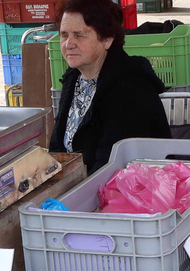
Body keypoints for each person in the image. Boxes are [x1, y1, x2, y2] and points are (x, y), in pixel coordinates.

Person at [49, 0, 171, 174]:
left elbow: (111, 168)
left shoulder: (130, 88)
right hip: (79, 186)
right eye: (64, 35)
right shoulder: (74, 77)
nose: (69, 43)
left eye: (79, 35)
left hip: (126, 191)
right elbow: (57, 148)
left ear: (107, 39)